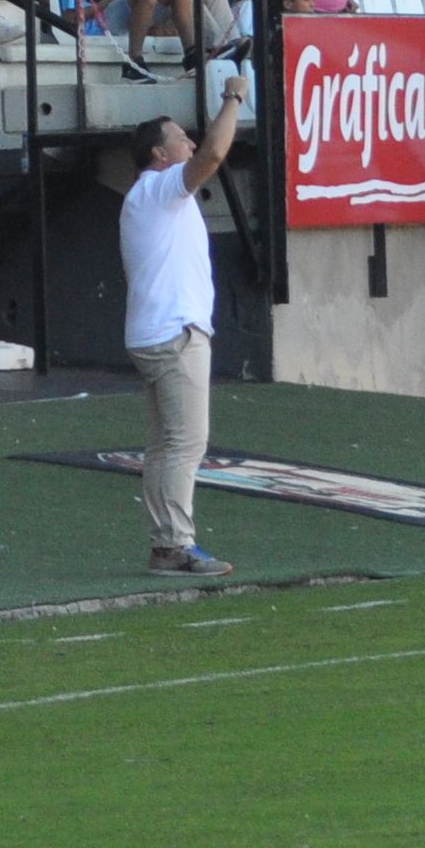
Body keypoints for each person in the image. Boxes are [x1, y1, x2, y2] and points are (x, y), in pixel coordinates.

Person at [119, 79, 244, 578]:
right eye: (180, 139)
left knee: (166, 445)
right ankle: (173, 546)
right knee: (184, 444)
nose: (189, 143)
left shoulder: (151, 194)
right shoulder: (159, 187)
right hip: (174, 335)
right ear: (159, 152)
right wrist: (232, 97)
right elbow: (213, 153)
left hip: (157, 332)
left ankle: (165, 543)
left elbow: (204, 153)